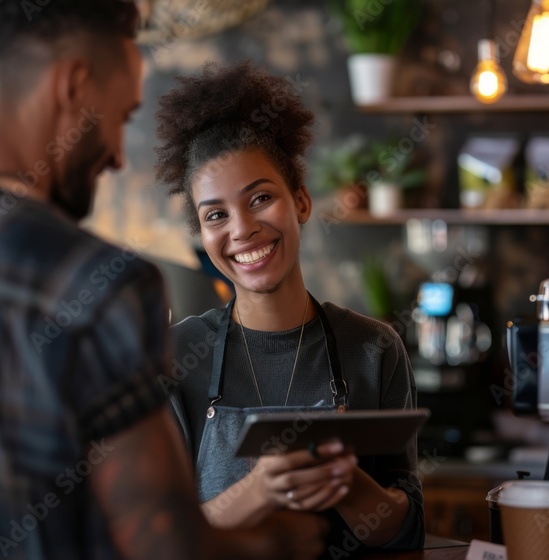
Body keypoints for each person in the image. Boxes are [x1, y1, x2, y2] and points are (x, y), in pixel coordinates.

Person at [0, 2, 325, 559]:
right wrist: (282, 542)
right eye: (122, 117)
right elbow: (163, 545)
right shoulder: (100, 287)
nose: (117, 159)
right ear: (75, 85)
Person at [155, 61, 425, 556]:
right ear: (202, 231)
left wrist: (349, 484)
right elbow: (159, 540)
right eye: (215, 214)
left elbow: (403, 532)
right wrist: (259, 491)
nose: (241, 230)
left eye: (260, 198)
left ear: (300, 201)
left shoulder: (373, 348)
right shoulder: (175, 356)